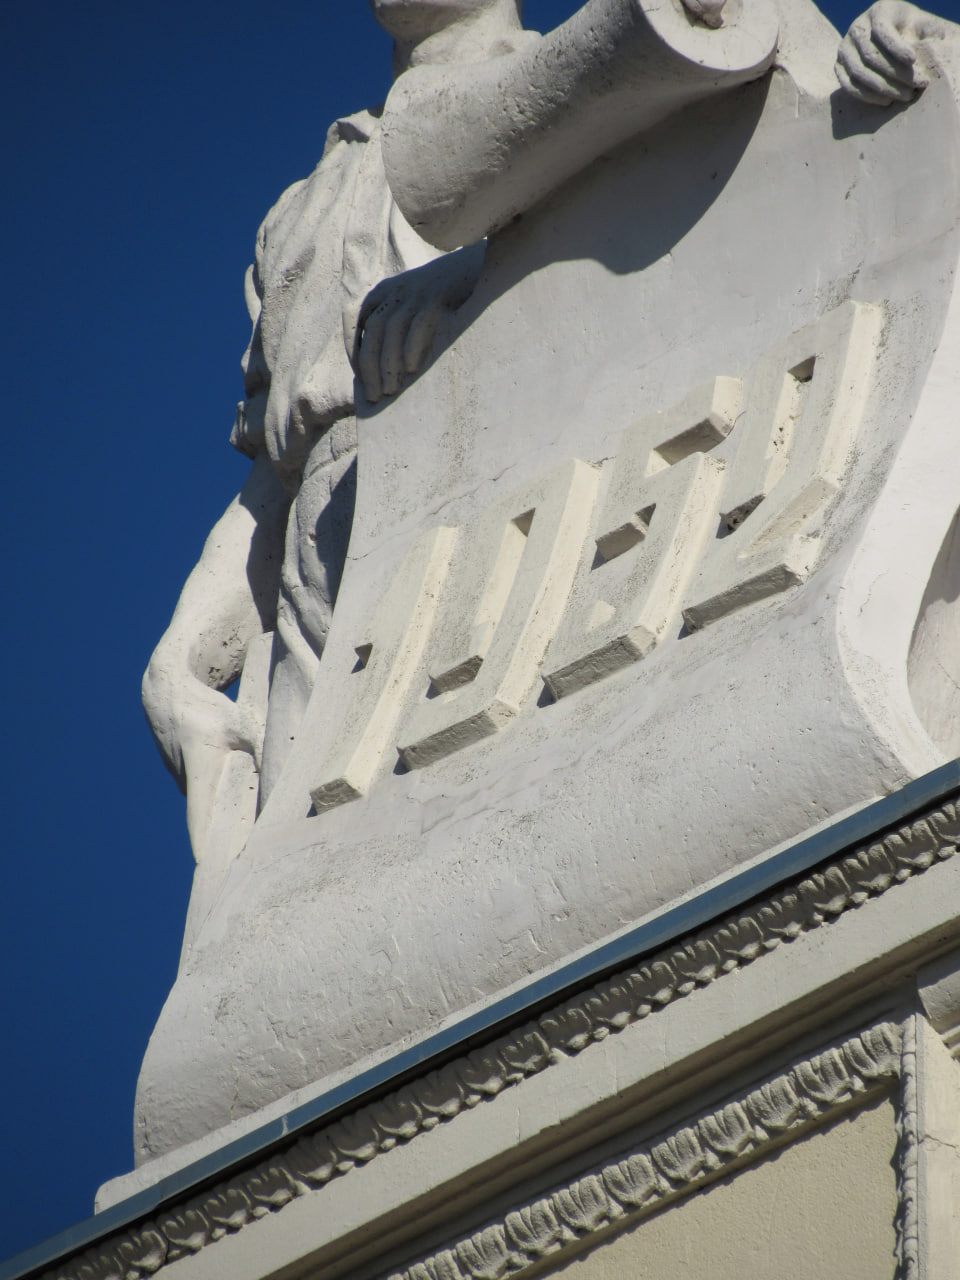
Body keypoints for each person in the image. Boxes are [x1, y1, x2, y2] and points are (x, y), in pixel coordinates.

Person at [143, 0, 952, 866]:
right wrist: (178, 662)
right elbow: (278, 476)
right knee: (313, 907)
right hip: (332, 557)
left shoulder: (613, 75)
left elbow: (744, 208)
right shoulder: (304, 204)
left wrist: (915, 48)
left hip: (527, 508)